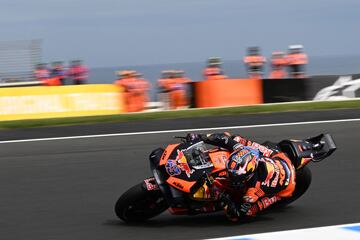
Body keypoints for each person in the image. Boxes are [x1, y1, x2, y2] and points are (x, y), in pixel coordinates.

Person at [187, 132, 296, 221]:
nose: (230, 176)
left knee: (246, 212)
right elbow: (223, 138)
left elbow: (237, 215)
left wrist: (224, 198)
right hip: (279, 158)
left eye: (234, 176)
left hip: (286, 186)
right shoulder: (241, 149)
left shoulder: (253, 192)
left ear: (248, 176)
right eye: (230, 173)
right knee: (235, 138)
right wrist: (200, 137)